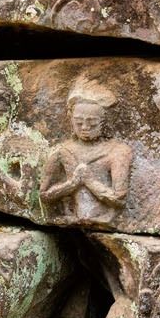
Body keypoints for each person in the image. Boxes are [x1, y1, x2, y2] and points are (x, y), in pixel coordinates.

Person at [39, 80, 133, 227]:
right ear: (71, 120)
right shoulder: (62, 151)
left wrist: (90, 181)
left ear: (104, 122)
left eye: (92, 123)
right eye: (78, 122)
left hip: (104, 220)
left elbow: (120, 199)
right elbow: (44, 195)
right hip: (69, 220)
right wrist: (71, 184)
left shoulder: (118, 151)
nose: (85, 127)